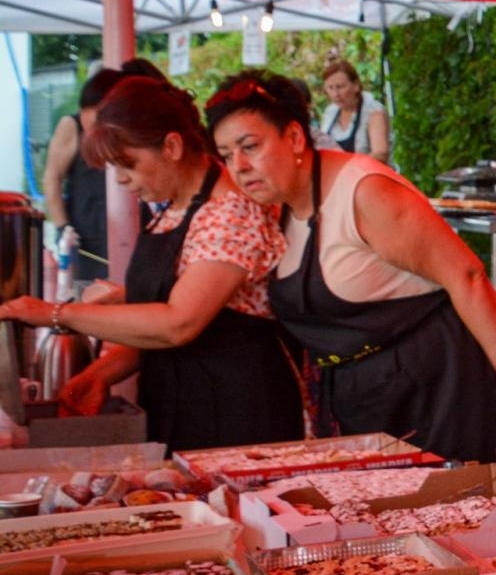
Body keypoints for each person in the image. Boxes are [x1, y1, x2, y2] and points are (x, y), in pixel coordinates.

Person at [207, 70, 496, 463]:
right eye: (226, 155)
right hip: (360, 398)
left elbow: (467, 276)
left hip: (435, 387)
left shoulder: (365, 191)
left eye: (250, 147)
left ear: (294, 137)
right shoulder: (275, 207)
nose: (239, 166)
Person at [0, 77, 303, 451]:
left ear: (172, 146)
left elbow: (177, 323)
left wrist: (56, 314)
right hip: (181, 403)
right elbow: (156, 321)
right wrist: (99, 374)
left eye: (127, 165)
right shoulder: (171, 210)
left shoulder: (230, 213)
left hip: (239, 411)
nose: (122, 180)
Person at [43, 68, 123, 280]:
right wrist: (62, 227)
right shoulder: (70, 125)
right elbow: (52, 178)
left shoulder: (121, 128)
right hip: (84, 232)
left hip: (119, 228)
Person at [320, 57, 390, 164]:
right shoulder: (330, 113)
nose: (336, 94)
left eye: (340, 87)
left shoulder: (374, 111)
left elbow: (380, 154)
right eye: (330, 88)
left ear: (356, 85)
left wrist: (350, 168)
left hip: (371, 173)